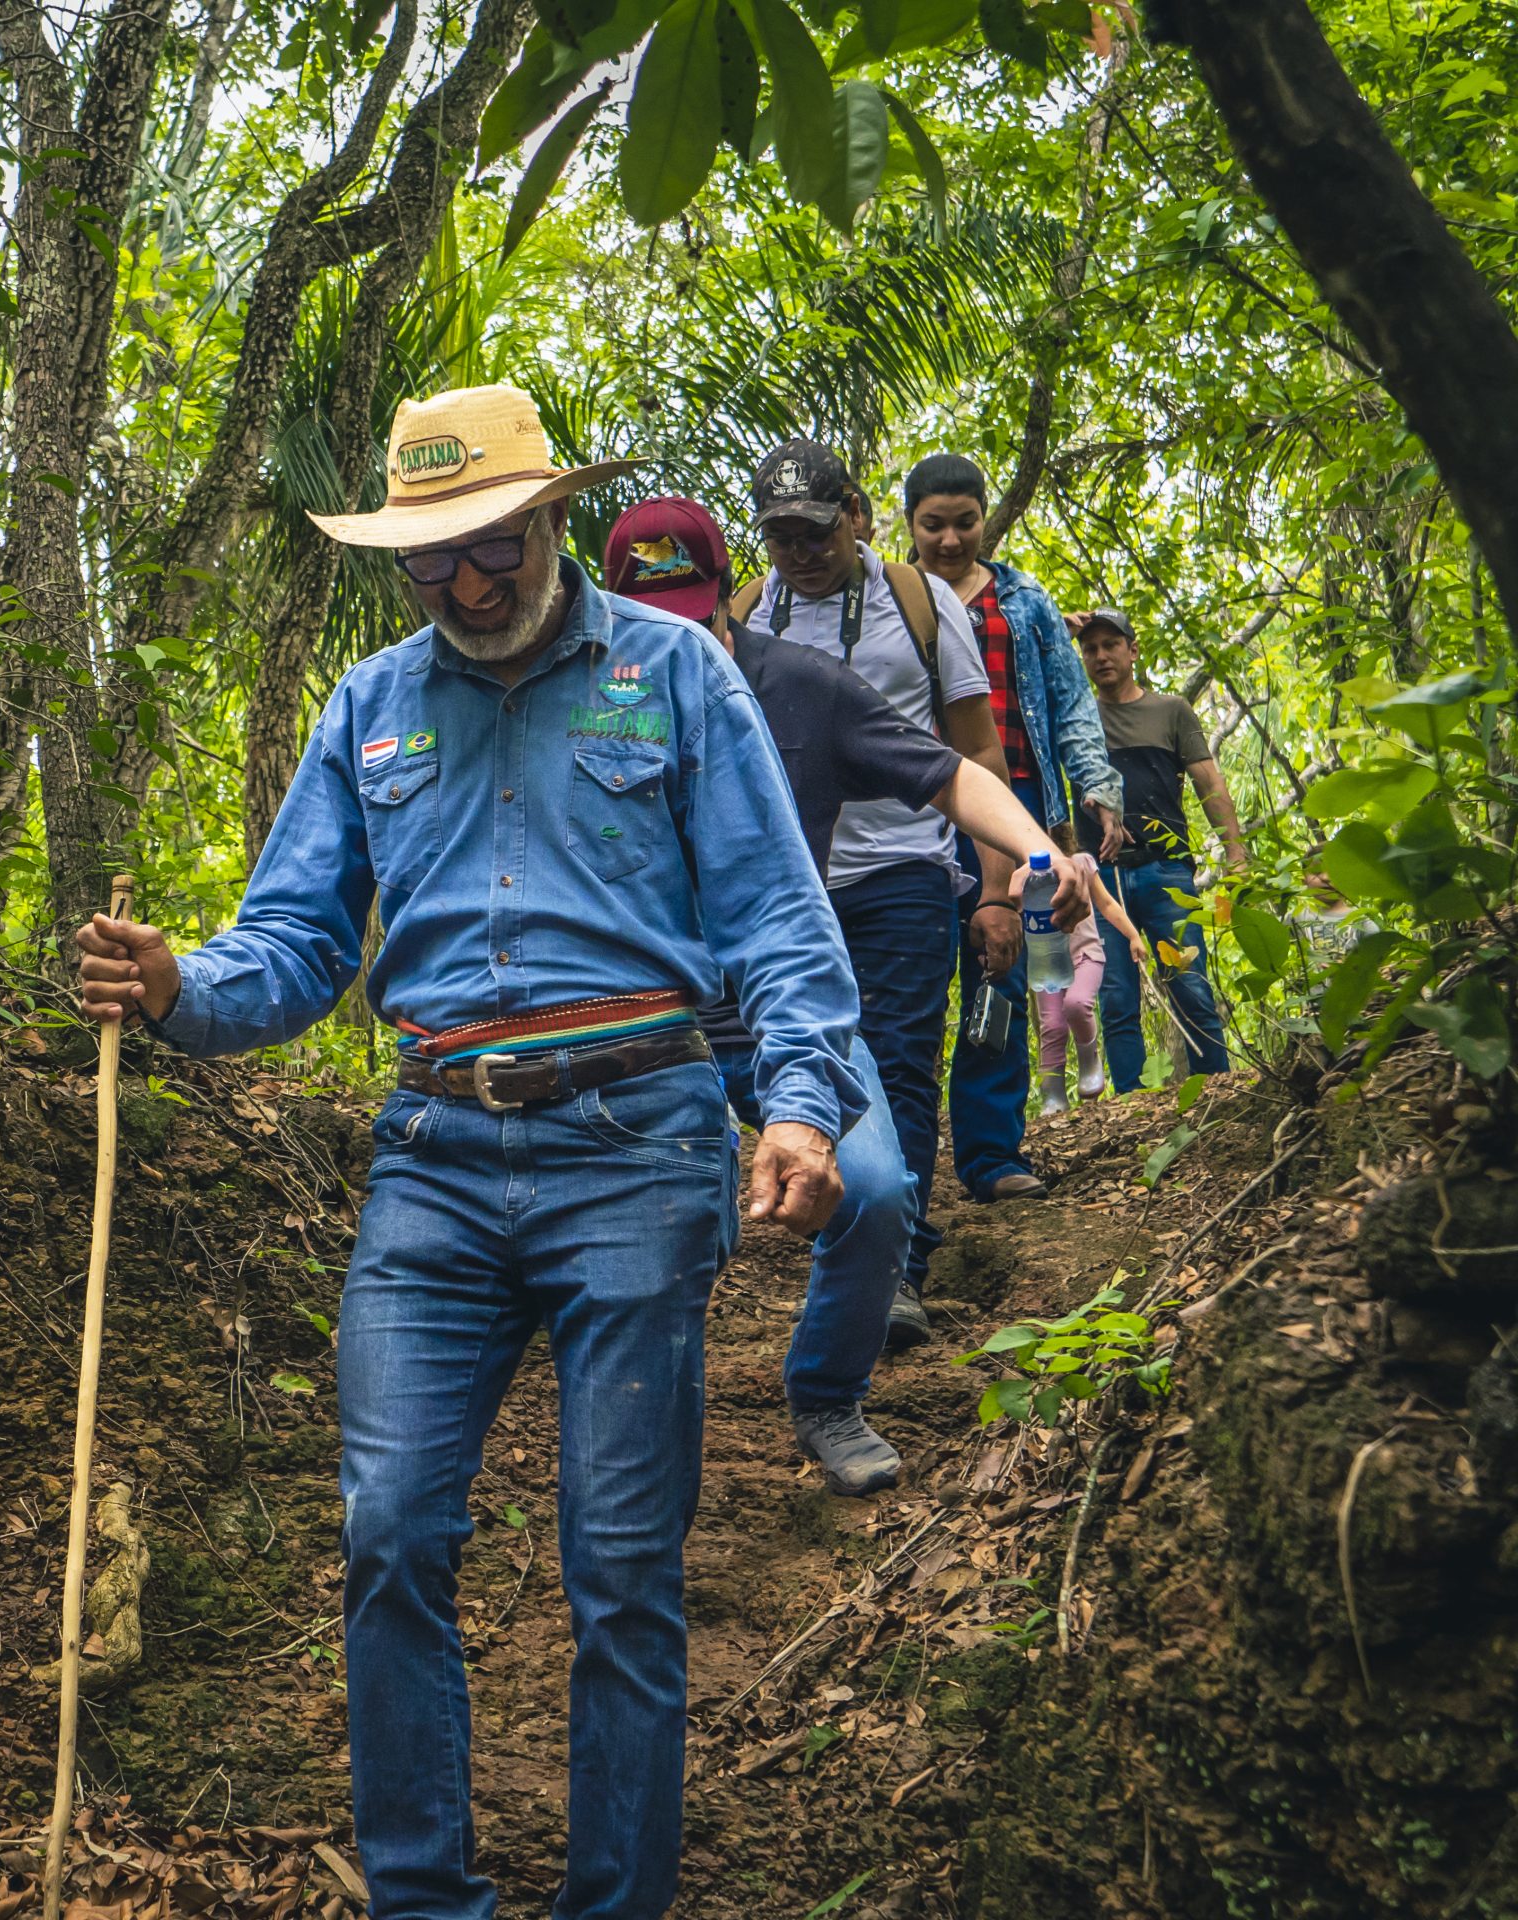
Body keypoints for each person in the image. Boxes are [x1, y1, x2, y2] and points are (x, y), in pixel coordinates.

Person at [78, 388, 865, 1920]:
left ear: (554, 521)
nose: (468, 584)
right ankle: (425, 1899)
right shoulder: (368, 706)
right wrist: (182, 987)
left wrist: (801, 1102)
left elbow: (778, 916)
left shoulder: (678, 674)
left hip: (640, 1137)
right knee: (387, 1531)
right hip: (435, 1149)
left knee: (622, 1565)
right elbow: (297, 945)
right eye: (431, 560)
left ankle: (613, 1902)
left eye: (492, 545)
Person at [603, 497, 1087, 1496]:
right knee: (660, 1226)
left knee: (873, 1189)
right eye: (657, 625)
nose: (685, 645)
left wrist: (1032, 851)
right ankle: (634, 1432)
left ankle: (827, 1390)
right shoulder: (586, 697)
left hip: (784, 1002)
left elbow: (951, 772)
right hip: (636, 1019)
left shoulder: (804, 687)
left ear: (731, 605)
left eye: (702, 622)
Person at [728, 439, 1009, 1349]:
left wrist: (997, 890)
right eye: (780, 537)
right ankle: (843, 1233)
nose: (801, 553)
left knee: (896, 1065)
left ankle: (898, 1271)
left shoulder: (920, 605)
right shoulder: (741, 617)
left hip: (904, 873)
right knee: (812, 1072)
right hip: (789, 886)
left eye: (815, 531)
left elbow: (976, 752)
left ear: (855, 514)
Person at [902, 456, 1125, 1221]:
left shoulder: (1021, 598)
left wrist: (1098, 791)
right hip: (917, 808)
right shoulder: (890, 599)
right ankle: (896, 1165)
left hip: (1018, 808)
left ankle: (990, 1153)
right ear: (910, 525)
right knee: (911, 976)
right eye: (934, 524)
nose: (952, 538)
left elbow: (1068, 704)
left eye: (966, 521)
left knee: (1002, 972)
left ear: (986, 518)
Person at [1071, 607, 1247, 1086]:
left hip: (1165, 870)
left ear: (1133, 650)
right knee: (1116, 998)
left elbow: (1209, 782)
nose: (1101, 656)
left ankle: (1219, 1092)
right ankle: (1131, 1105)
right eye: (1090, 648)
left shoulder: (1172, 711)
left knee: (1191, 987)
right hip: (1100, 881)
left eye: (1111, 645)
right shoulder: (1076, 720)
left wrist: (1235, 853)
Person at [1033, 818, 1141, 1116]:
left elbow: (1106, 904)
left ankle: (1089, 1059)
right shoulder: (1030, 876)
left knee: (1078, 1004)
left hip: (1086, 955)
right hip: (1048, 963)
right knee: (1052, 1026)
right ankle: (1052, 1095)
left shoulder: (1082, 863)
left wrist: (1133, 936)